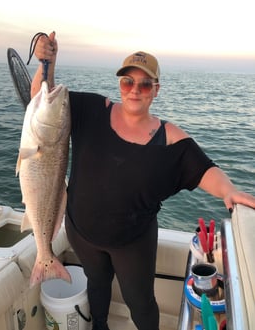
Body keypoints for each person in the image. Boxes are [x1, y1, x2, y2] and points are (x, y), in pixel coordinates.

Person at [31, 32, 255, 330]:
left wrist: (229, 191)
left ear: (156, 90)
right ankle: (99, 326)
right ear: (120, 84)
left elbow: (204, 169)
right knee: (97, 285)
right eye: (128, 81)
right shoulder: (90, 109)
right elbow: (40, 103)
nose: (135, 90)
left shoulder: (169, 137)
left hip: (133, 242)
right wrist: (48, 62)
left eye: (145, 83)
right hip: (81, 232)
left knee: (140, 302)